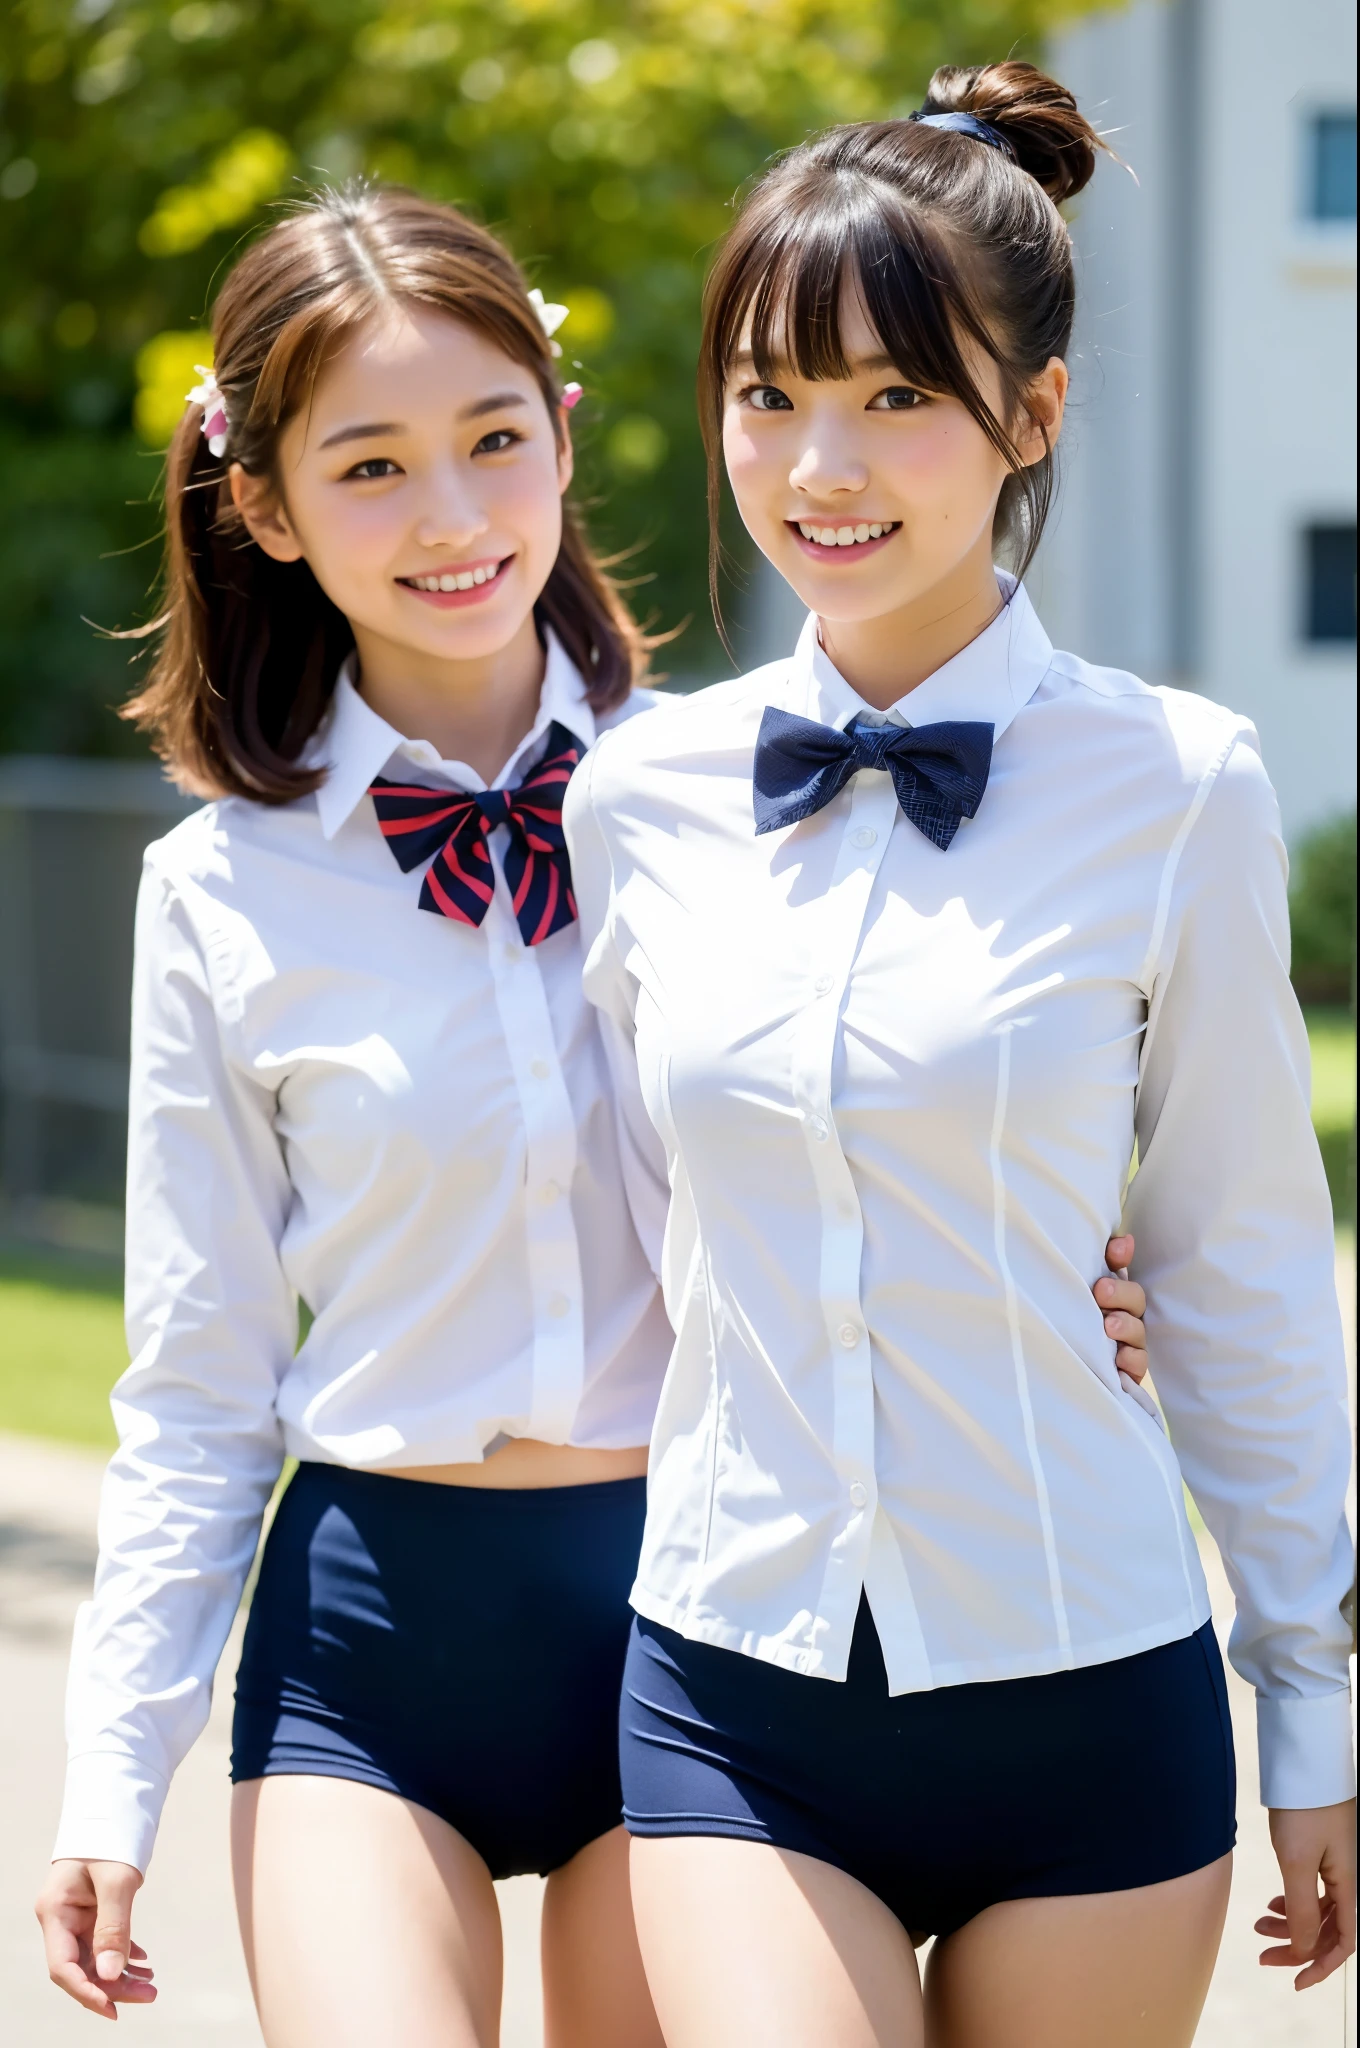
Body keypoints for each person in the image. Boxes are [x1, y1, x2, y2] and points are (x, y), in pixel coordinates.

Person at [32, 183, 1149, 2047]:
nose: (456, 516)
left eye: (492, 438)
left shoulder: (753, 795)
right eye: (370, 465)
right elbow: (197, 1384)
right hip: (377, 1627)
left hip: (701, 1611)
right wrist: (104, 1782)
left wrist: (1104, 1289)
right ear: (266, 502)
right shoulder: (218, 892)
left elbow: (952, 1124)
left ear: (566, 431)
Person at [565, 61, 1357, 2048]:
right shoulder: (640, 791)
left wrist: (1315, 1703)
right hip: (733, 1676)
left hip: (1087, 1678)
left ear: (1032, 415)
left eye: (894, 396)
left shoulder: (1178, 785)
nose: (818, 461)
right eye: (766, 392)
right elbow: (637, 1226)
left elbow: (1237, 1258)